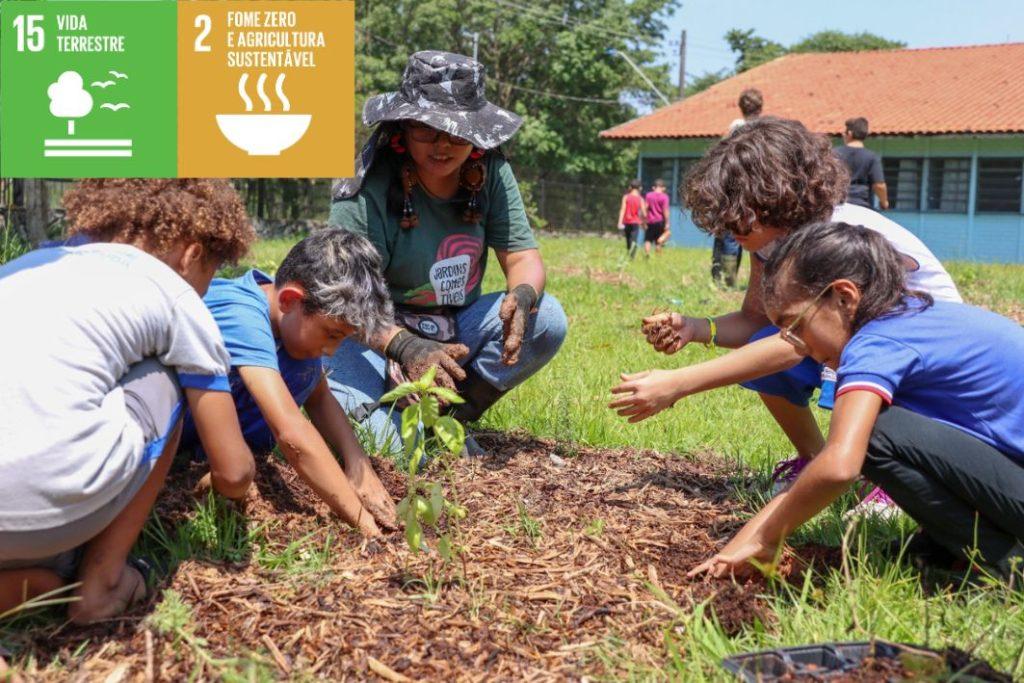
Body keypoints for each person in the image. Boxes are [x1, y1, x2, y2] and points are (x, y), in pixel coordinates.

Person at [609, 117, 961, 514]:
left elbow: (795, 343)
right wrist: (695, 328)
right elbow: (758, 322)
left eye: (739, 211)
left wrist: (679, 383)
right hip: (864, 347)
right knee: (763, 349)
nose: (728, 225)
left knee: (789, 353)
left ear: (778, 197)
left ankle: (896, 476)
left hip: (924, 361)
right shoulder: (768, 242)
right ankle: (816, 460)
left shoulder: (835, 237)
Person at [690, 223, 1024, 580]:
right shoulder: (912, 315)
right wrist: (749, 537)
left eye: (796, 326)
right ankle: (951, 550)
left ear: (844, 297)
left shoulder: (875, 343)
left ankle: (1009, 566)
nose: (796, 345)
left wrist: (762, 537)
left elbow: (839, 464)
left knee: (874, 434)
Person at [0, 179, 257, 622]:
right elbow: (234, 473)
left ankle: (40, 573)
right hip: (45, 510)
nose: (206, 291)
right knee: (170, 375)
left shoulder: (28, 266)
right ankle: (103, 582)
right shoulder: (176, 295)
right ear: (192, 254)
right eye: (211, 275)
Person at [326, 51, 567, 456]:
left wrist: (523, 296)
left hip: (452, 326)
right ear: (403, 127)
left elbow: (522, 257)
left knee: (547, 319)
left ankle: (447, 418)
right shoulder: (365, 186)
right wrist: (406, 347)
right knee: (390, 449)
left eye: (457, 133)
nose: (442, 145)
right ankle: (398, 417)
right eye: (427, 130)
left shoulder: (491, 173)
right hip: (365, 332)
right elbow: (348, 298)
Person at [180, 229, 399, 536]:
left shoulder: (293, 325)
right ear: (290, 300)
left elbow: (319, 398)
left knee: (303, 369)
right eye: (332, 335)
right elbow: (291, 432)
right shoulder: (241, 313)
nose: (331, 351)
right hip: (165, 446)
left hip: (216, 447)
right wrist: (363, 521)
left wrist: (358, 465)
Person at [713, 88, 763, 287]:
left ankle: (729, 280)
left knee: (731, 235)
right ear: (760, 107)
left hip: (734, 187)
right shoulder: (765, 128)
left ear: (741, 107)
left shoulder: (735, 127)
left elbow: (721, 154)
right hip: (758, 188)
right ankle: (757, 282)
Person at [835, 117, 888, 211]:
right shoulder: (872, 157)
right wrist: (884, 202)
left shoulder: (834, 154)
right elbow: (879, 185)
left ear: (849, 133)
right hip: (862, 206)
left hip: (838, 204)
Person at [617, 179, 646, 259]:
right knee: (634, 239)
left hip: (626, 222)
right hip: (635, 222)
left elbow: (622, 209)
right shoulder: (641, 199)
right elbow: (644, 213)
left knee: (628, 239)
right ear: (640, 188)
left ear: (630, 187)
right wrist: (644, 222)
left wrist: (619, 222)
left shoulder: (626, 197)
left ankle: (629, 253)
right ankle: (632, 256)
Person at [643, 178, 671, 256]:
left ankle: (647, 254)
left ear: (653, 187)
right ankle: (658, 256)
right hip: (660, 221)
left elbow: (645, 208)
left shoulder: (648, 195)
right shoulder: (664, 197)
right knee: (659, 240)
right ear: (663, 188)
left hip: (650, 221)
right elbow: (665, 210)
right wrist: (667, 222)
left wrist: (644, 219)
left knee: (648, 239)